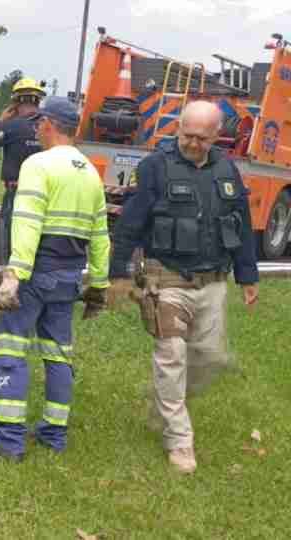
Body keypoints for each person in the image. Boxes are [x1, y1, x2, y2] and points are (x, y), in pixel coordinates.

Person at [109, 100, 259, 474]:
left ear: (216, 136)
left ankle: (164, 402)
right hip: (166, 278)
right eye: (186, 135)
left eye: (201, 138)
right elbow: (132, 221)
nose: (192, 143)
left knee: (208, 358)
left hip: (212, 282)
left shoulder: (228, 170)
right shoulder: (156, 168)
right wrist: (118, 272)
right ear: (178, 129)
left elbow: (240, 225)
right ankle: (180, 440)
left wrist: (248, 276)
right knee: (172, 354)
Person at [0, 96, 111, 462]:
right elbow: (100, 235)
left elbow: (28, 222)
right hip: (68, 278)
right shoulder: (90, 171)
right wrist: (98, 285)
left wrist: (14, 274)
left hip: (35, 274)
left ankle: (8, 440)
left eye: (38, 122)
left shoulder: (38, 165)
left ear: (48, 123)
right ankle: (53, 433)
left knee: (10, 351)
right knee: (58, 355)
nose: (35, 127)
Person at [0, 77, 46, 266]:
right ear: (38, 101)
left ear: (16, 102)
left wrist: (0, 122)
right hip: (46, 196)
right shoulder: (50, 127)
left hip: (17, 195)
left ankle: (9, 282)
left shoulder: (12, 126)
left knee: (9, 245)